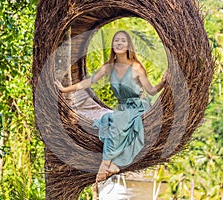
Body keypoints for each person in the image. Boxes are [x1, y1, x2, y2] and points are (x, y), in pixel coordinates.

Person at [54, 30, 167, 183]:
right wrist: (64, 89)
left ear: (128, 46)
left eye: (123, 41)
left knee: (116, 119)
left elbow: (151, 91)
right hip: (122, 108)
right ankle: (114, 165)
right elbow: (88, 82)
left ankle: (105, 164)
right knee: (108, 118)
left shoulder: (136, 67)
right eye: (116, 41)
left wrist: (163, 82)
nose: (119, 43)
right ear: (113, 45)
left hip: (139, 107)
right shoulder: (109, 67)